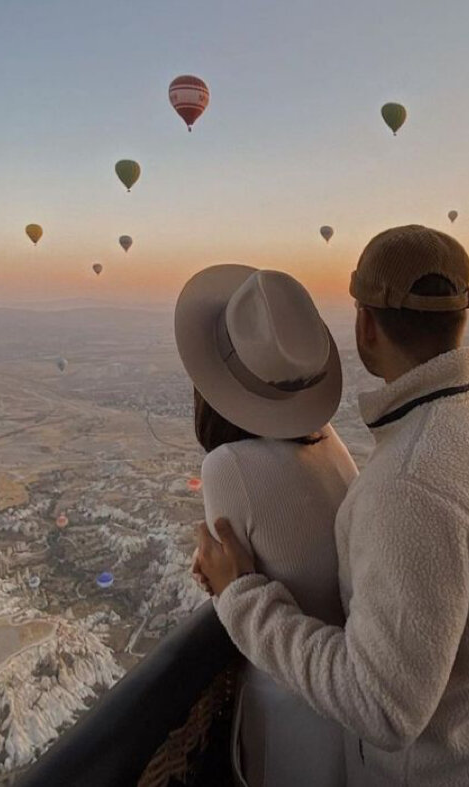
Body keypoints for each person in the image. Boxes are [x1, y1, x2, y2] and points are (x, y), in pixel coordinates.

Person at [195, 226, 469, 786]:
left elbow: (381, 708)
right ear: (460, 317)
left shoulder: (410, 482)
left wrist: (240, 596)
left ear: (365, 324)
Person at [175, 264, 359, 786]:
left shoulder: (227, 464)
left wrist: (220, 580)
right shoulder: (328, 440)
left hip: (292, 698)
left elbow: (230, 582)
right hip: (342, 708)